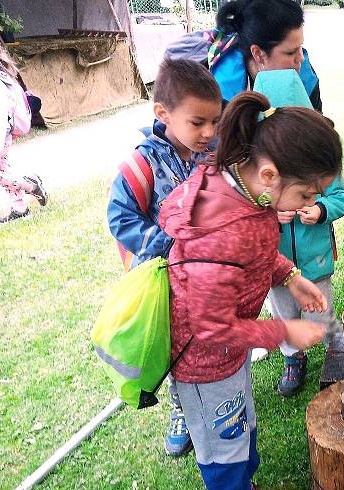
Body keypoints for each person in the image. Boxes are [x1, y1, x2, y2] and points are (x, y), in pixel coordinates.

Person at [158, 90, 342, 490]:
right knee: (222, 448)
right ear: (270, 176)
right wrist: (285, 330)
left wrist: (291, 276)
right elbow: (212, 325)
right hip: (202, 362)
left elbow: (256, 251)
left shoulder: (248, 194)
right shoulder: (220, 227)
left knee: (242, 430)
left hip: (228, 355)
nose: (308, 205)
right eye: (305, 195)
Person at [107, 58, 222, 457]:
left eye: (215, 121)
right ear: (163, 114)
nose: (208, 133)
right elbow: (120, 219)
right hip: (168, 282)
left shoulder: (210, 153)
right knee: (177, 347)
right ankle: (182, 409)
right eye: (197, 123)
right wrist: (166, 243)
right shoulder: (141, 165)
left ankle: (215, 394)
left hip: (209, 277)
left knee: (206, 340)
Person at [253, 69, 344, 396]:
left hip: (315, 260)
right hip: (276, 267)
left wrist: (321, 209)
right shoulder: (257, 171)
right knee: (284, 314)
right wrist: (271, 213)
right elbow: (251, 209)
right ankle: (293, 359)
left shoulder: (318, 156)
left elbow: (341, 196)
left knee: (320, 309)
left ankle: (336, 345)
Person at [0, 39, 48, 224]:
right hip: (0, 133)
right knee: (3, 170)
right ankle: (20, 209)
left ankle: (31, 185)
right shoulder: (0, 77)